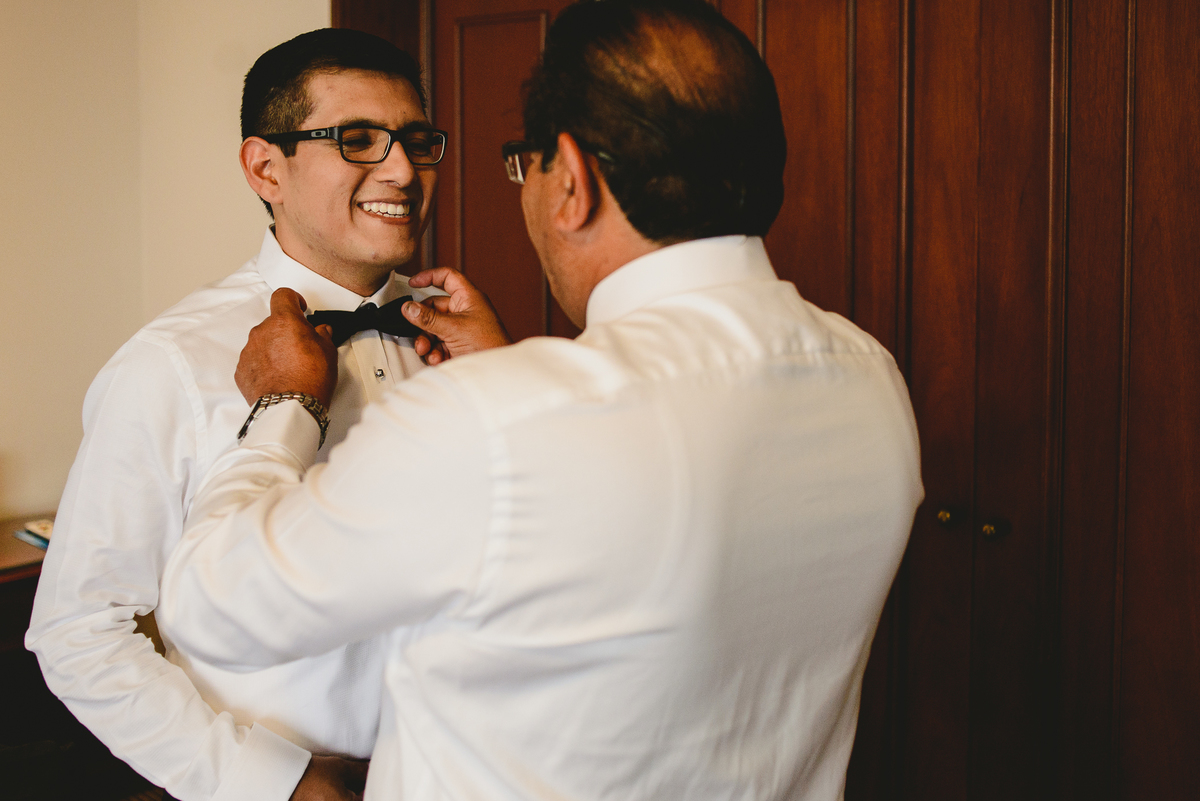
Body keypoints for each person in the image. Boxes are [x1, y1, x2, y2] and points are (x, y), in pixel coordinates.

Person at [159, 1, 924, 799]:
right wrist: (505, 377)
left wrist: (284, 404)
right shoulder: (871, 378)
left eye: (524, 168)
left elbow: (211, 604)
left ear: (573, 180)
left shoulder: (494, 421)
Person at [26, 28, 453, 801]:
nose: (402, 169)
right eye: (359, 139)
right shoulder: (170, 364)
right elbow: (78, 631)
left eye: (419, 142)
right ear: (266, 167)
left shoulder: (464, 340)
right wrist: (271, 784)